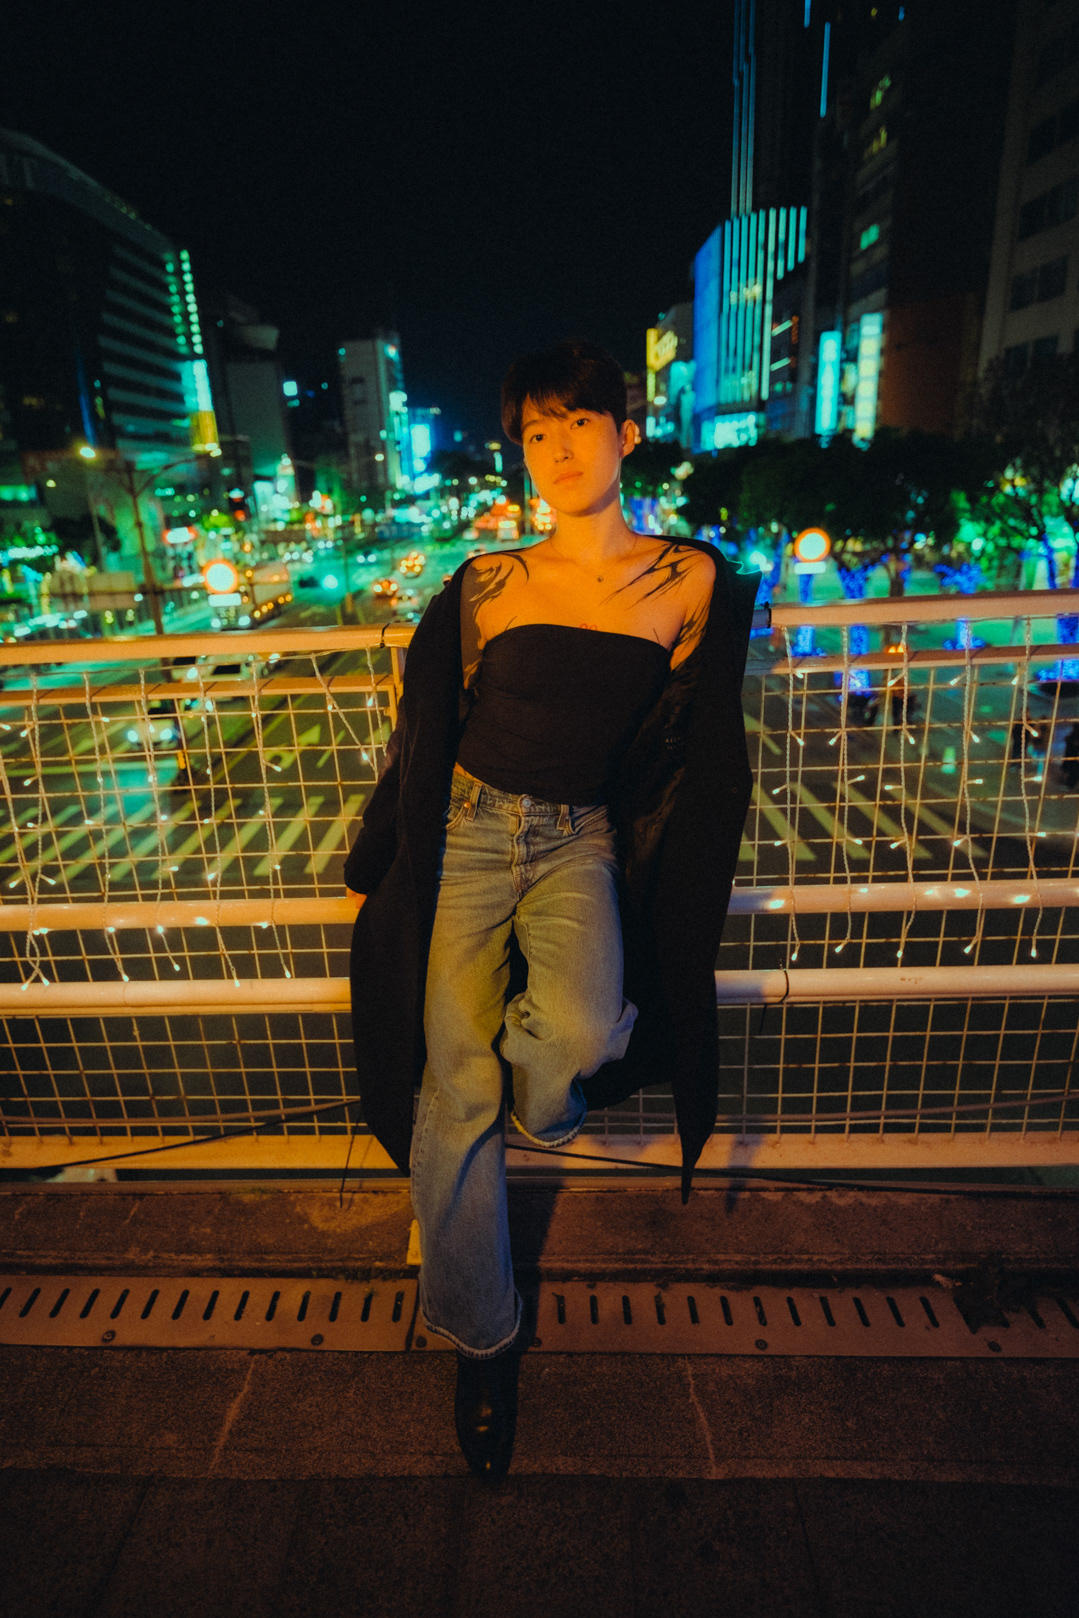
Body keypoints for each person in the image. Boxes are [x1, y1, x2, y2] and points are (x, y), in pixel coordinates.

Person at [343, 339, 756, 1482]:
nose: (559, 449)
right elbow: (424, 728)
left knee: (572, 1031)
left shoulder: (689, 584)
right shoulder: (489, 582)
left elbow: (688, 740)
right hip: (467, 827)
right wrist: (376, 852)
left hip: (578, 834)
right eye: (536, 432)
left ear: (627, 433)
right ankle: (481, 1338)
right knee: (453, 1077)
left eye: (578, 422)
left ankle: (545, 1105)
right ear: (520, 452)